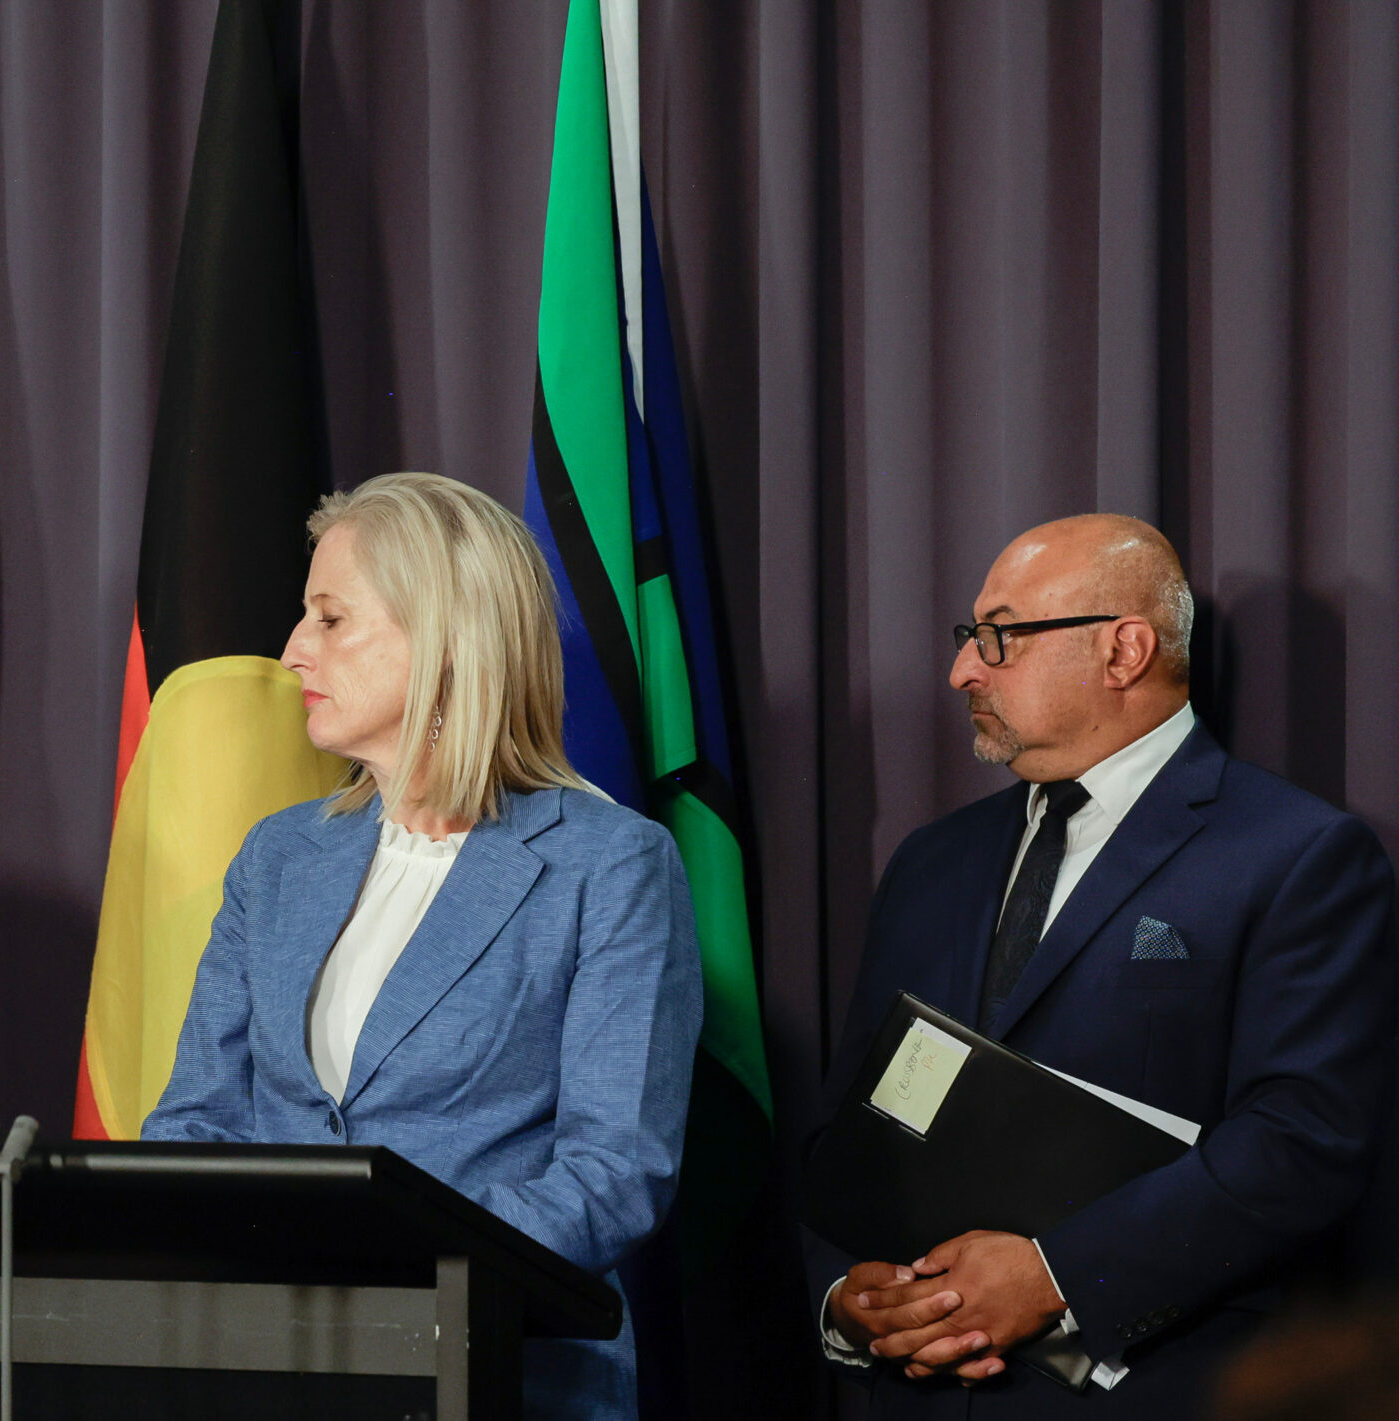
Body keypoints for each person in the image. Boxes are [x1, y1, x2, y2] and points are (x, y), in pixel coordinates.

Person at [141, 471, 704, 1418]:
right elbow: (193, 1122)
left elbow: (615, 1172)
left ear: (445, 637)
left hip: (500, 1375)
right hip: (265, 1371)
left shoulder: (609, 864)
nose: (290, 651)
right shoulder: (280, 856)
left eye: (329, 618)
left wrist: (388, 1272)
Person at [806, 514, 1396, 1416]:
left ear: (1124, 650)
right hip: (911, 1391)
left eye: (998, 635)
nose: (964, 669)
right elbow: (850, 1121)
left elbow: (1301, 1140)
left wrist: (1055, 1277)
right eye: (970, 639)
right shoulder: (930, 861)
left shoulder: (1299, 856)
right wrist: (851, 1296)